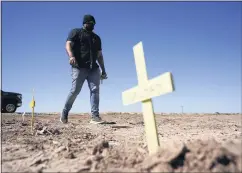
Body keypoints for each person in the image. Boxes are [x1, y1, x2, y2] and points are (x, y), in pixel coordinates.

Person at [60, 14, 108, 124]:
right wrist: (71, 56)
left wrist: (103, 70)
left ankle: (95, 116)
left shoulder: (97, 38)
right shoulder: (76, 32)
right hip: (79, 67)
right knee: (75, 91)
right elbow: (68, 44)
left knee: (95, 91)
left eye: (93, 24)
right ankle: (65, 112)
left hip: (93, 68)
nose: (92, 26)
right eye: (90, 24)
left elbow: (99, 55)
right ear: (84, 23)